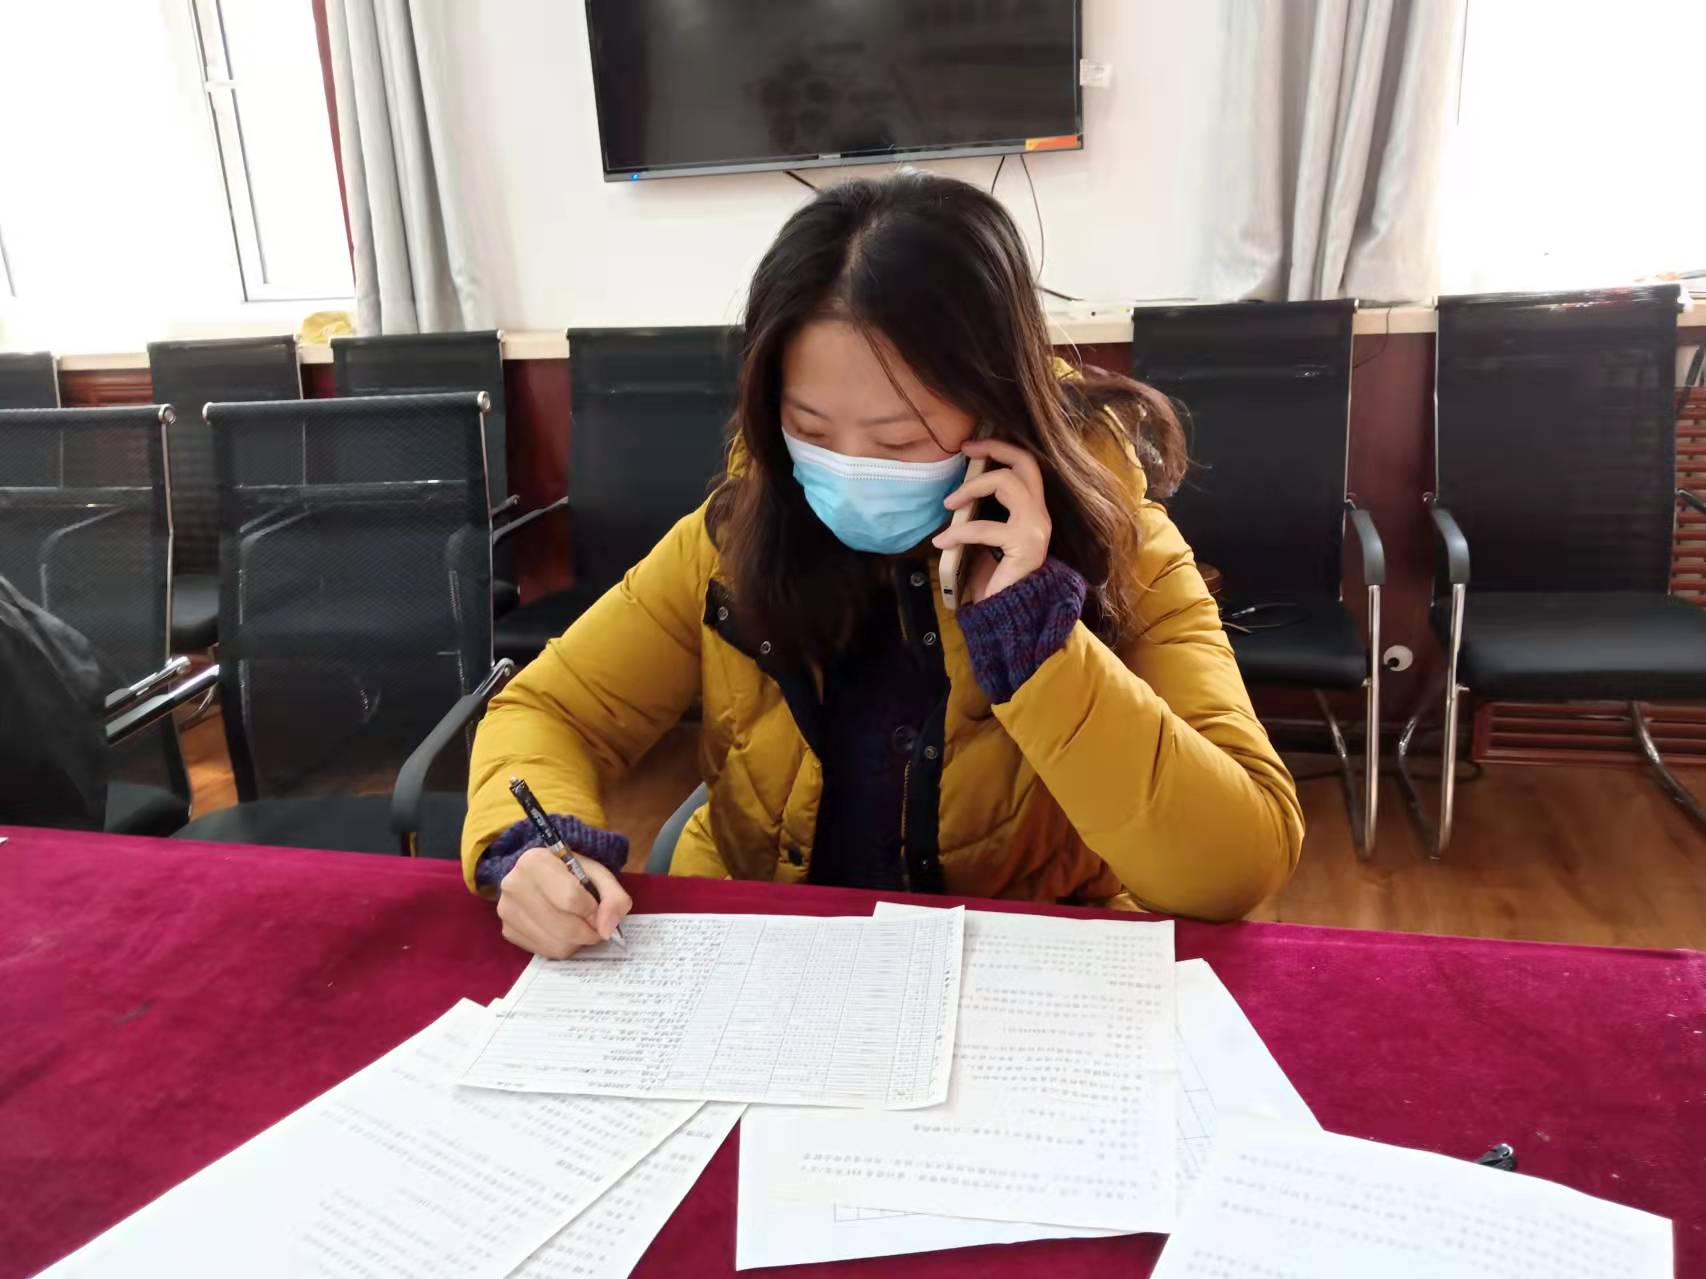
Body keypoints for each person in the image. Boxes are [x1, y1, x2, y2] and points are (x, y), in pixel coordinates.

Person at [461, 172, 1303, 959]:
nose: (851, 467)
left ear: (999, 407)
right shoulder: (736, 534)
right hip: (768, 966)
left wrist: (1042, 648)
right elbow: (551, 709)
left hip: (1016, 974)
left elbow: (1239, 863)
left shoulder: (1120, 544)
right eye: (811, 430)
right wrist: (533, 845)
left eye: (899, 440)